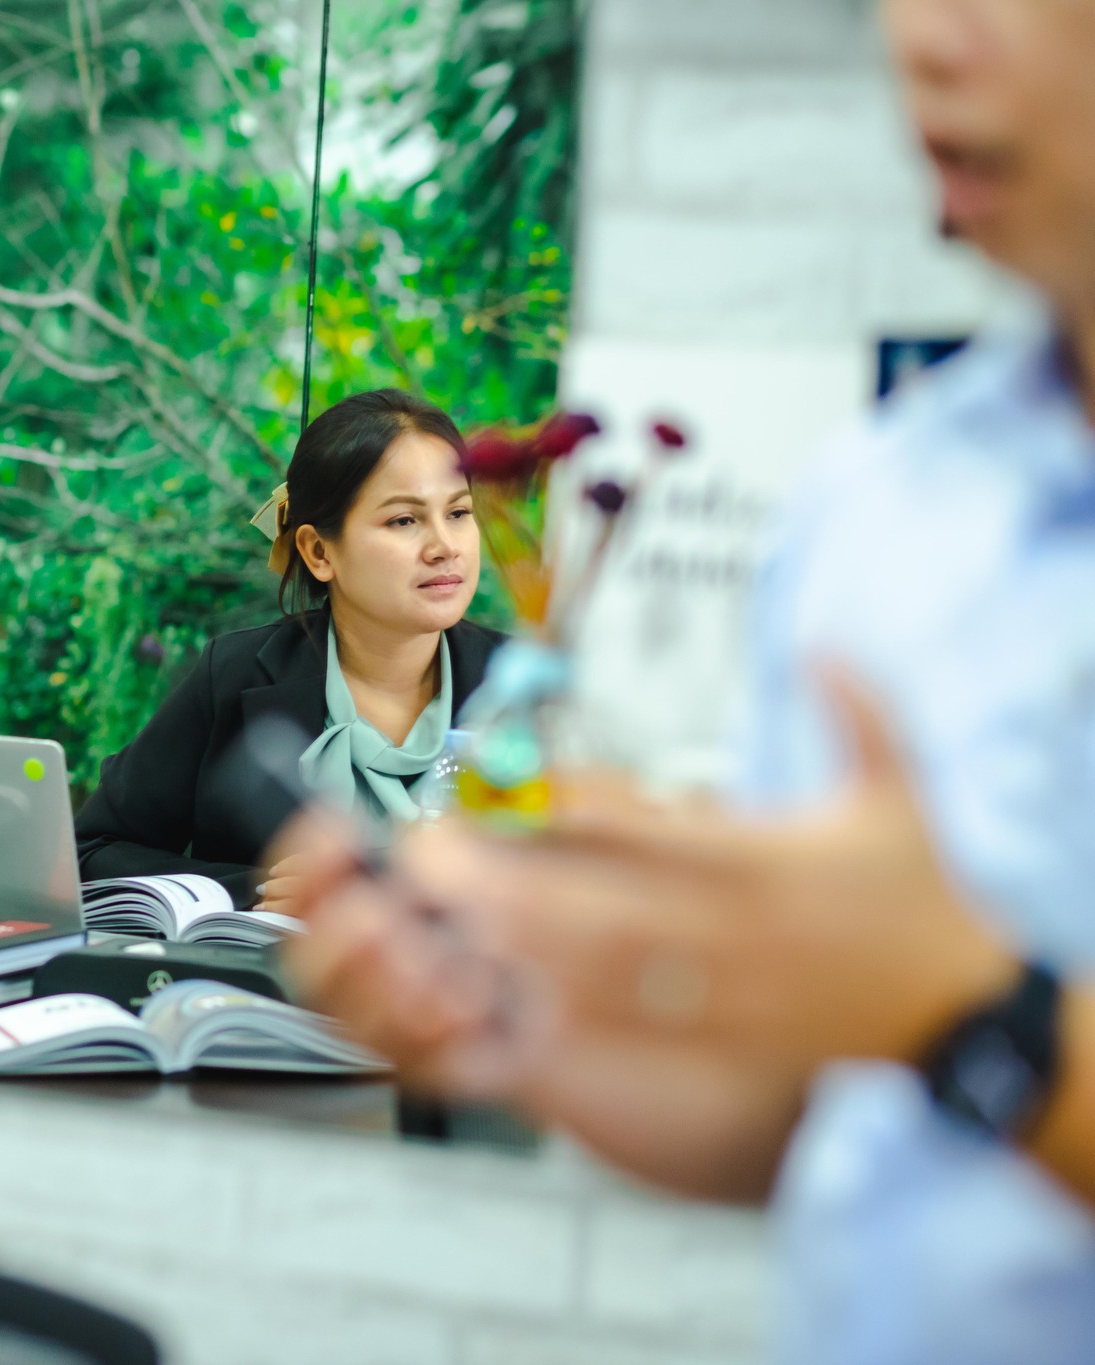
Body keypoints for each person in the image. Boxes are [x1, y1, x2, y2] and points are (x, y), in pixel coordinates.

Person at [280, 0, 1095, 1357]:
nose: (925, 41)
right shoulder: (880, 502)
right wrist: (513, 1041)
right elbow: (805, 1121)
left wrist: (974, 1017)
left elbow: (926, 1010)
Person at [74, 389, 505, 907]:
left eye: (458, 512)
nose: (445, 546)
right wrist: (257, 890)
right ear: (319, 551)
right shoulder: (234, 677)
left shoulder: (521, 686)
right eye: (404, 521)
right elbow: (91, 851)